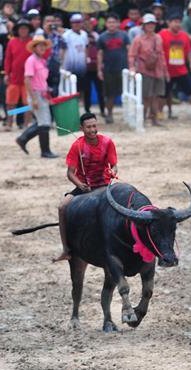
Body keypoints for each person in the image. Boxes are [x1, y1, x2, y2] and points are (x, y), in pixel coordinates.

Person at [55, 112, 118, 262]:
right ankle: (66, 249)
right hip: (85, 187)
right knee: (62, 207)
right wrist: (80, 185)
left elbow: (114, 165)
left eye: (94, 126)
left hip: (104, 186)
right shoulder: (77, 146)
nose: (92, 130)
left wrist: (112, 172)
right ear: (81, 128)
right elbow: (70, 173)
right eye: (88, 127)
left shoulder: (107, 142)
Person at [16, 34, 56, 158]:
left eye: (44, 45)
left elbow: (42, 80)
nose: (42, 47)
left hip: (42, 93)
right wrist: (33, 99)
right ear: (34, 47)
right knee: (44, 123)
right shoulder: (31, 60)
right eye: (40, 45)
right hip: (36, 94)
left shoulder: (42, 61)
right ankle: (44, 150)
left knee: (43, 122)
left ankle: (24, 139)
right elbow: (27, 80)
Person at [160, 14, 191, 119]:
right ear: (169, 23)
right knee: (163, 93)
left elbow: (188, 51)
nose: (177, 24)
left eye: (179, 22)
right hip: (167, 70)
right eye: (175, 22)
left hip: (181, 69)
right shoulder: (162, 34)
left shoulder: (184, 35)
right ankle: (160, 112)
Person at [128, 13, 167, 126]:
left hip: (158, 70)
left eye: (152, 24)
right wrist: (132, 67)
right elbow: (132, 55)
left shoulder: (158, 38)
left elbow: (161, 54)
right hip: (144, 70)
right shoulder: (138, 39)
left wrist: (165, 70)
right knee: (145, 96)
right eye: (148, 24)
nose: (150, 26)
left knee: (156, 96)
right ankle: (143, 118)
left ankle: (154, 118)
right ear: (143, 26)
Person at [97, 14, 129, 124]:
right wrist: (99, 70)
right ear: (106, 24)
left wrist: (132, 66)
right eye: (109, 22)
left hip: (123, 69)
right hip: (108, 70)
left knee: (126, 93)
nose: (112, 24)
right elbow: (99, 54)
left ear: (118, 23)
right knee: (109, 95)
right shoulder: (102, 37)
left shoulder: (124, 35)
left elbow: (129, 51)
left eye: (114, 22)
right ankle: (109, 115)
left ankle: (128, 115)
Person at [3, 18, 31, 131]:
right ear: (17, 30)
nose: (23, 30)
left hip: (28, 78)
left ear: (29, 30)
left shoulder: (33, 42)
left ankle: (26, 124)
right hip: (14, 77)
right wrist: (6, 73)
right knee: (10, 102)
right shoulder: (12, 42)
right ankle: (9, 124)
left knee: (27, 103)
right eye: (21, 28)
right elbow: (8, 59)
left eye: (25, 28)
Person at [62, 14, 91, 113]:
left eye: (78, 22)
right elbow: (62, 49)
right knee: (72, 91)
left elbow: (86, 47)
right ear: (71, 23)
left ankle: (87, 109)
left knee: (86, 90)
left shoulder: (84, 34)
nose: (76, 24)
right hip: (70, 68)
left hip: (83, 67)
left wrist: (87, 58)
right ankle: (72, 111)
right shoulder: (66, 35)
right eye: (74, 22)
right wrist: (61, 65)